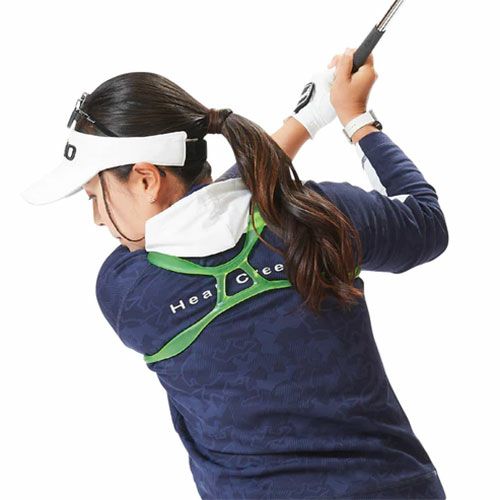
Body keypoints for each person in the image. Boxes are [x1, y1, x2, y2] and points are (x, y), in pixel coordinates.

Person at [21, 48, 448, 499]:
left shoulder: (129, 291)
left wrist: (304, 121)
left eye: (95, 195)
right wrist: (353, 117)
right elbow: (426, 224)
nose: (97, 218)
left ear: (146, 180)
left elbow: (220, 206)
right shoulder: (321, 216)